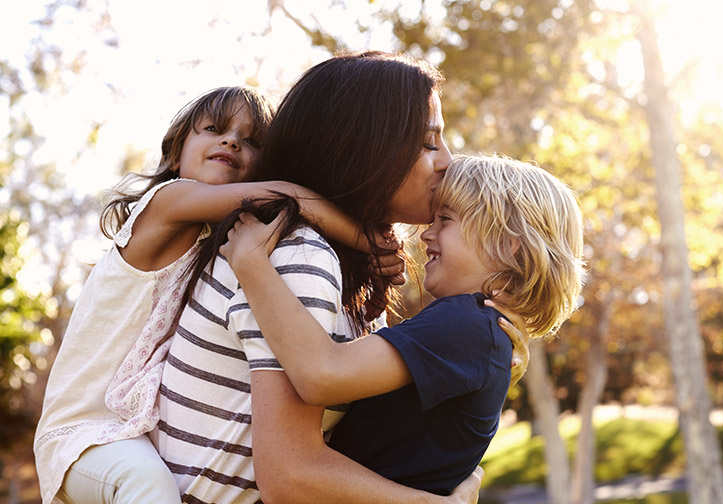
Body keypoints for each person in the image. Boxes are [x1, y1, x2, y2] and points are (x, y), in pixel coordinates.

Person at [155, 52, 529, 504]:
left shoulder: (344, 263)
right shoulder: (296, 256)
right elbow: (291, 476)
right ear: (366, 147)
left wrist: (482, 359)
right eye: (429, 141)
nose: (448, 160)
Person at [33, 85, 384, 504]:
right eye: (214, 128)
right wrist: (372, 245)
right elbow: (287, 198)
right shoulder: (166, 201)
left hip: (134, 429)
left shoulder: (215, 244)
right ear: (175, 153)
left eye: (251, 140)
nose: (232, 140)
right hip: (83, 431)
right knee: (149, 486)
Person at [222, 153, 586, 495]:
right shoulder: (481, 330)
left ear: (509, 247)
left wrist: (251, 262)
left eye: (446, 219)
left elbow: (321, 373)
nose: (427, 233)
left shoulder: (466, 323)